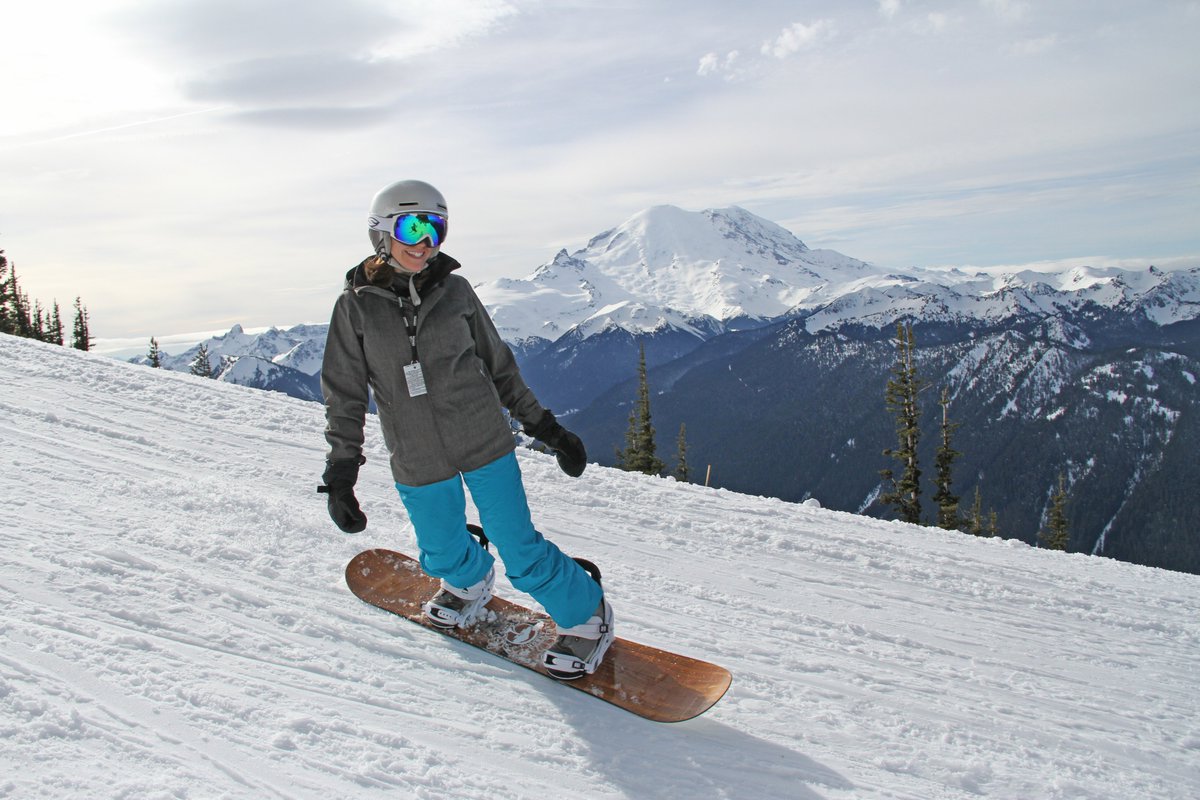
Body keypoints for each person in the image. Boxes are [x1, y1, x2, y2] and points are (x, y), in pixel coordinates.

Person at [318, 179, 614, 680]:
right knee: (440, 548)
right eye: (414, 226)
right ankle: (469, 580)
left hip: (483, 441)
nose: (426, 241)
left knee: (519, 548)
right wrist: (342, 470)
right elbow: (344, 394)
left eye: (437, 227)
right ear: (381, 234)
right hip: (415, 453)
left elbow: (499, 366)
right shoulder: (355, 308)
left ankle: (586, 613)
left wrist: (547, 428)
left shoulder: (455, 292)